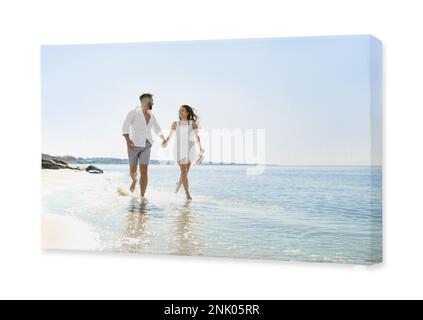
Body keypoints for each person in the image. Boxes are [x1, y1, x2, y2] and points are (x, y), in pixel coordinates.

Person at [122, 93, 166, 198]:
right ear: (145, 101)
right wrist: (128, 141)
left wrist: (163, 139)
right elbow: (125, 127)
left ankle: (142, 197)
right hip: (133, 145)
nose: (153, 102)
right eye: (151, 100)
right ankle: (134, 180)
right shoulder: (133, 113)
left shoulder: (151, 115)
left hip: (147, 144)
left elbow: (157, 128)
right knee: (133, 172)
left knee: (144, 171)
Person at [162, 105, 204, 200]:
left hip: (190, 148)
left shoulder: (192, 123)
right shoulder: (175, 124)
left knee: (185, 172)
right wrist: (166, 143)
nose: (180, 112)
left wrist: (200, 148)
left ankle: (178, 184)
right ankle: (187, 193)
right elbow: (170, 136)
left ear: (187, 112)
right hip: (179, 149)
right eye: (179, 111)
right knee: (183, 171)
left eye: (183, 110)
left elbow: (197, 137)